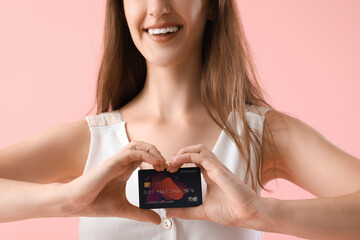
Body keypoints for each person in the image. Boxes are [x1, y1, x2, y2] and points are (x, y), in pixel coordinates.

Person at [0, 0, 359, 239]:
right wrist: (67, 200)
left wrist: (262, 213)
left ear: (214, 4)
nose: (158, 8)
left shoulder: (263, 135)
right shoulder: (89, 141)